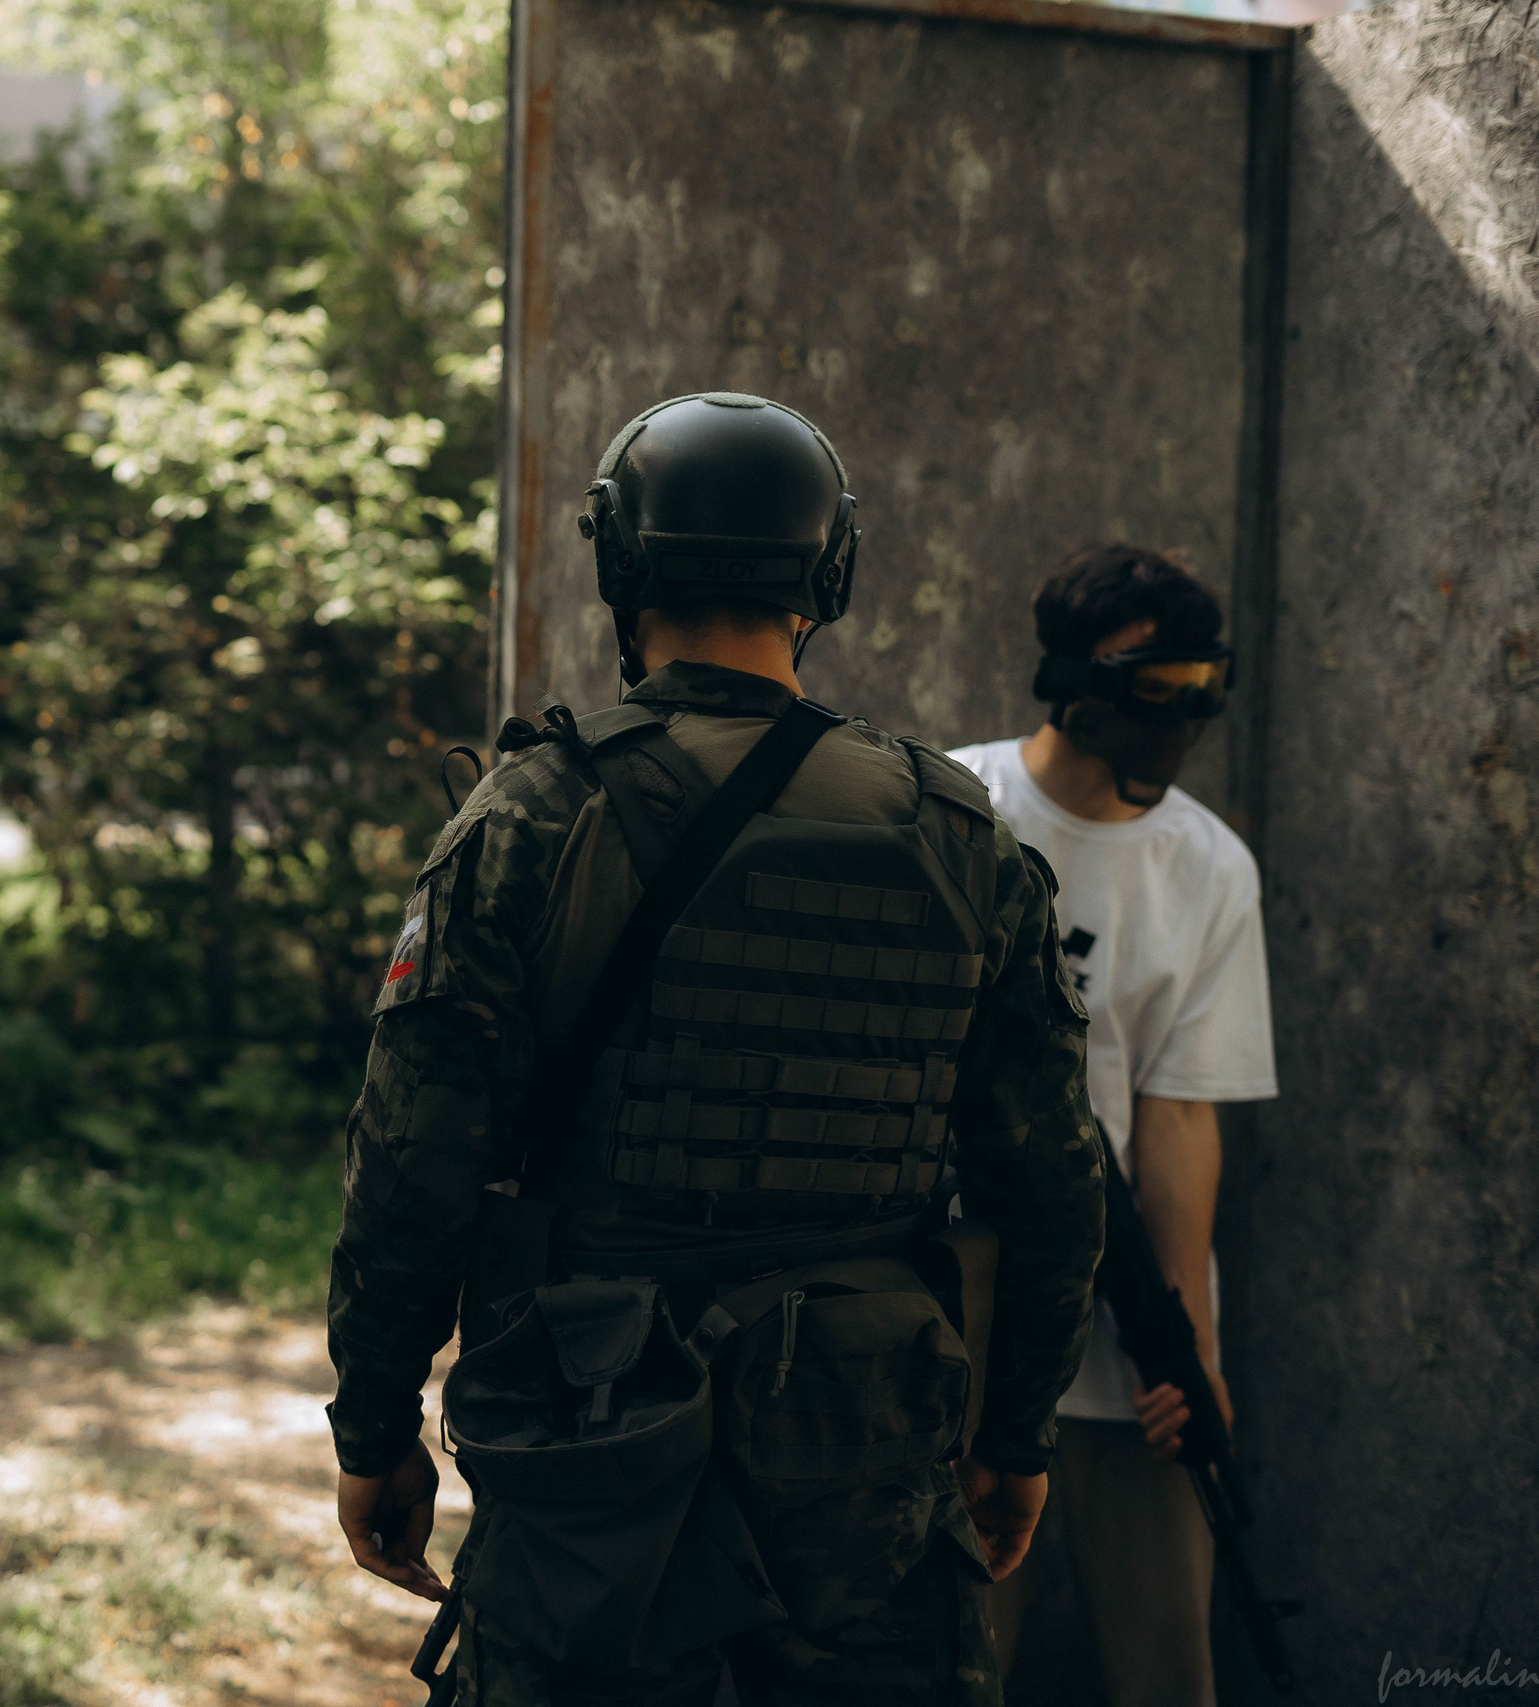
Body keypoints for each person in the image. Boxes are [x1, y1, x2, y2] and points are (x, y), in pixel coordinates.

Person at [325, 392, 1107, 1706]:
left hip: (594, 1455)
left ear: (619, 562)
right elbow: (1053, 1181)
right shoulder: (955, 830)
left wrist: (374, 1426)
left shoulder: (532, 816)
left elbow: (412, 1167)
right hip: (865, 1461)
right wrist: (1017, 1435)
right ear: (828, 572)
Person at [949, 545, 1276, 1707]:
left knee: (1164, 1661)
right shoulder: (955, 806)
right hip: (964, 1302)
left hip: (1125, 1320)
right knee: (950, 1647)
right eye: (1154, 687)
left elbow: (1178, 1112)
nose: (1180, 717)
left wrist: (1182, 1339)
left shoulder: (1207, 867)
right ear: (1075, 679)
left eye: (1202, 689)